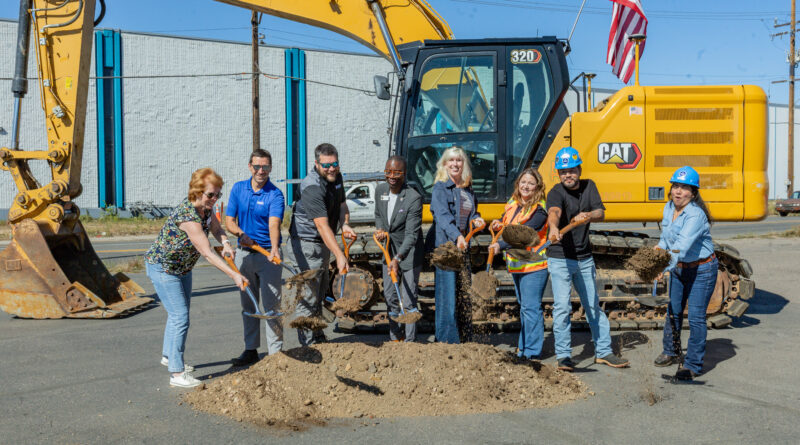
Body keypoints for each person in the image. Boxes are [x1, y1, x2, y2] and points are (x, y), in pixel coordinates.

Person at [144, 168, 247, 388]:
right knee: (179, 316)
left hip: (182, 268)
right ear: (197, 191)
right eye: (210, 194)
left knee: (178, 315)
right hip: (164, 269)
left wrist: (226, 243)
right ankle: (177, 374)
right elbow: (208, 253)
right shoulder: (188, 216)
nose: (214, 199)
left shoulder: (206, 211)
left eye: (218, 194)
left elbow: (217, 229)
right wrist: (235, 275)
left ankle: (168, 356)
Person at [545, 147, 629, 371]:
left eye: (571, 171)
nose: (567, 176)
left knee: (592, 305)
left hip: (584, 258)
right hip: (560, 257)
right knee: (562, 307)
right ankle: (563, 356)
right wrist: (553, 228)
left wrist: (588, 215)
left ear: (579, 170)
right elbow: (554, 213)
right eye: (563, 172)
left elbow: (600, 213)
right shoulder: (555, 192)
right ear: (558, 174)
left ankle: (603, 352)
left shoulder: (589, 186)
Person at [286, 143, 356, 345]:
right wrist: (340, 254)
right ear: (316, 164)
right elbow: (322, 225)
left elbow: (342, 205)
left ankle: (317, 335)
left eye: (335, 163)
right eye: (326, 165)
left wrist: (345, 225)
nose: (332, 168)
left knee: (320, 291)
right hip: (307, 245)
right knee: (308, 294)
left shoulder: (336, 177)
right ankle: (308, 345)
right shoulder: (312, 187)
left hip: (323, 244)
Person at [653, 166, 718, 381]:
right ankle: (671, 351)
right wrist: (658, 250)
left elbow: (681, 246)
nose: (678, 191)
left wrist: (661, 267)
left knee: (697, 317)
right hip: (680, 267)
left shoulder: (696, 215)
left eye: (684, 188)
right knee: (673, 310)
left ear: (693, 193)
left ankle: (692, 365)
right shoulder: (668, 207)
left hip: (702, 269)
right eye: (676, 186)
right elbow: (667, 238)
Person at [225, 149, 285, 366]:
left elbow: (274, 223)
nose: (261, 171)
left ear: (270, 168)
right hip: (243, 256)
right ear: (250, 166)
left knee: (272, 307)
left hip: (268, 256)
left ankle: (276, 354)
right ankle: (251, 350)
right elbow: (229, 220)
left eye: (266, 167)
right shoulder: (238, 189)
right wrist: (241, 234)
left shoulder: (275, 194)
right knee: (249, 305)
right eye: (257, 166)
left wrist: (275, 248)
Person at [488, 168, 549, 359]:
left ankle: (531, 353)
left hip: (533, 266)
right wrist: (498, 223)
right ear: (518, 184)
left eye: (531, 183)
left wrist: (499, 244)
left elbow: (523, 234)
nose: (526, 186)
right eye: (523, 182)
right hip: (517, 265)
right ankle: (523, 348)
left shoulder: (539, 210)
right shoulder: (513, 204)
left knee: (531, 309)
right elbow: (505, 221)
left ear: (537, 187)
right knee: (524, 308)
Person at [427, 146, 485, 344]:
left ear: (464, 164)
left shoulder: (467, 189)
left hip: (462, 248)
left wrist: (477, 219)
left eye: (459, 160)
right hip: (446, 250)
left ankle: (464, 339)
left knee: (463, 296)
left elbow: (471, 212)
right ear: (444, 165)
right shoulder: (440, 189)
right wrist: (457, 237)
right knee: (447, 298)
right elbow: (442, 216)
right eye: (451, 160)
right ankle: (447, 343)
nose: (455, 164)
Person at [374, 156, 424, 342]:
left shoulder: (413, 198)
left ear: (404, 174)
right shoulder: (380, 190)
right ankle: (396, 338)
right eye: (388, 171)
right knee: (390, 295)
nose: (392, 176)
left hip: (409, 254)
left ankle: (410, 343)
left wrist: (398, 258)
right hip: (388, 250)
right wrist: (380, 228)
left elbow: (412, 235)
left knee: (408, 298)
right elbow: (379, 214)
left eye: (397, 172)